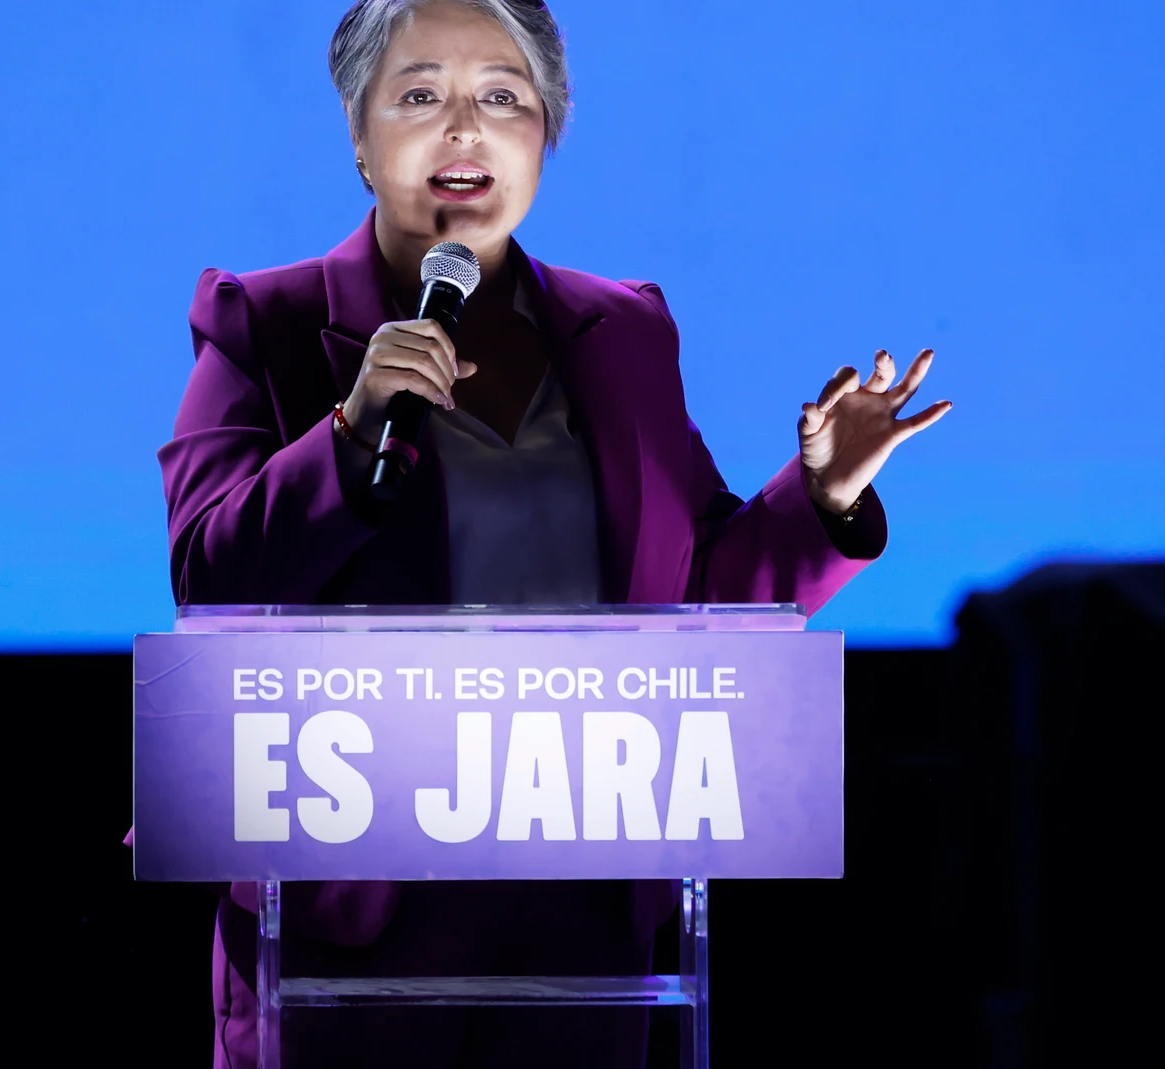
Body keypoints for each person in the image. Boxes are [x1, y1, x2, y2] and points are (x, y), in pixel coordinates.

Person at [156, 1, 952, 1064]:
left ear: (546, 135)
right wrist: (346, 432)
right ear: (358, 134)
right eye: (420, 95)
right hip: (353, 918)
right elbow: (208, 573)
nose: (463, 131)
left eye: (502, 97)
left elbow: (700, 592)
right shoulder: (271, 322)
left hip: (585, 917)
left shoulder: (620, 331)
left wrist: (824, 500)